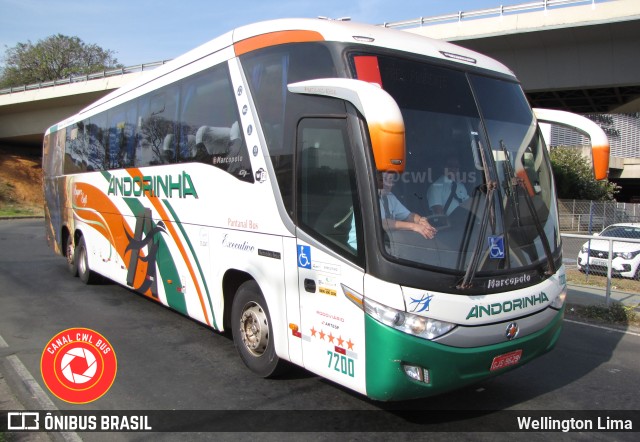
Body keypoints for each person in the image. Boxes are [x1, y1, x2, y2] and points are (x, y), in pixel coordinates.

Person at [348, 172, 436, 250]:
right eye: (384, 179)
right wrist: (414, 226)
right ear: (374, 178)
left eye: (390, 180)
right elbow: (382, 223)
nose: (388, 184)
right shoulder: (369, 196)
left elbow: (408, 216)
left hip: (383, 247)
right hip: (360, 250)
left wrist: (421, 221)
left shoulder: (390, 197)